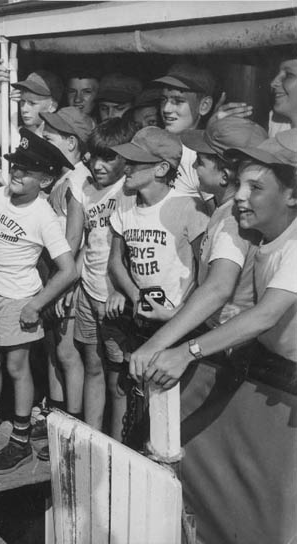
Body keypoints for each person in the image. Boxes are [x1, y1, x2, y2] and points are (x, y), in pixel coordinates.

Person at [136, 129, 297, 388]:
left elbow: (265, 314)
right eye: (240, 183)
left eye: (255, 187)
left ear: (293, 195)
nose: (240, 195)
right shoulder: (264, 234)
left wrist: (185, 352)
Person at [0, 127, 76, 473]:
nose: (17, 173)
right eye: (15, 166)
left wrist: (36, 304)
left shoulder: (43, 215)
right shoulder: (1, 195)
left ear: (45, 180)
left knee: (17, 368)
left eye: (27, 170)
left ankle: (20, 442)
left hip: (19, 298)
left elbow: (68, 270)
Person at [106, 127, 209, 433]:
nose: (126, 167)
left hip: (178, 323)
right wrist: (134, 295)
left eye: (134, 163)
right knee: (134, 392)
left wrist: (178, 313)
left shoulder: (188, 207)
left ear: (161, 168)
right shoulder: (125, 202)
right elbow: (116, 260)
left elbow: (204, 273)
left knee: (167, 404)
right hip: (141, 319)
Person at [29, 107, 93, 456]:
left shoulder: (74, 182)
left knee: (67, 353)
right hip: (54, 276)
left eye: (49, 137)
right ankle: (55, 418)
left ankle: (72, 427)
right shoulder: (63, 179)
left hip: (66, 280)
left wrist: (61, 285)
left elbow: (73, 241)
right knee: (54, 350)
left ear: (70, 142)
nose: (42, 141)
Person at [70, 118, 138, 442]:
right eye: (95, 156)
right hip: (88, 290)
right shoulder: (85, 189)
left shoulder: (128, 190)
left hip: (114, 298)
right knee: (92, 366)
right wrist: (71, 284)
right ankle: (92, 441)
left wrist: (122, 290)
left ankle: (117, 448)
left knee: (118, 380)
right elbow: (83, 243)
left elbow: (132, 249)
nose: (98, 165)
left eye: (108, 157)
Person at [153, 63, 217, 202]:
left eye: (178, 101)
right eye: (163, 100)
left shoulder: (199, 159)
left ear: (204, 106)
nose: (166, 109)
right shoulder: (151, 144)